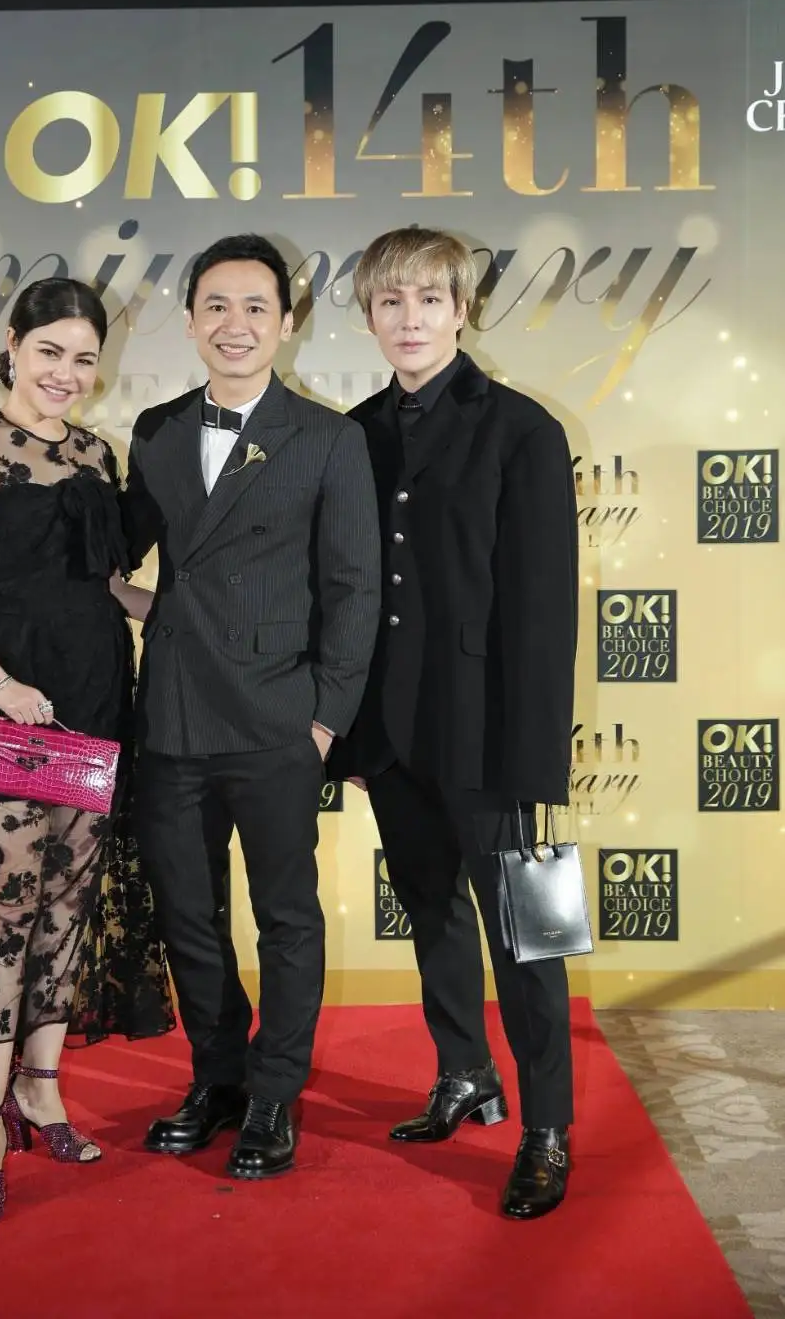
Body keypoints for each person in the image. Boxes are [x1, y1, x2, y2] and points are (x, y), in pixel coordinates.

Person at [0, 276, 172, 1229]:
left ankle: (42, 1090)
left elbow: (105, 587)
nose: (65, 373)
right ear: (13, 345)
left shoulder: (97, 453)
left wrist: (189, 616)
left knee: (68, 904)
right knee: (6, 910)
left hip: (96, 698)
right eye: (49, 351)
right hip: (11, 707)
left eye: (84, 358)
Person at [329, 227, 578, 1220]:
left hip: (490, 736)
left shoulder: (522, 429)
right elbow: (349, 596)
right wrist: (349, 732)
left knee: (529, 935)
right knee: (430, 908)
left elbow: (543, 611)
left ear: (462, 308)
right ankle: (464, 1073)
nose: (410, 319)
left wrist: (534, 757)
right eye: (390, 301)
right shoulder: (351, 432)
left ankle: (547, 1127)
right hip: (392, 732)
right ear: (369, 315)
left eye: (428, 298)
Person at [121, 233, 381, 1179]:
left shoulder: (328, 437)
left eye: (255, 307)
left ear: (286, 322)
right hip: (172, 717)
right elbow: (126, 557)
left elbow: (353, 589)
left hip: (276, 720)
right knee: (188, 915)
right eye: (217, 306)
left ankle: (274, 1092)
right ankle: (218, 1077)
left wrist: (323, 719)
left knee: (285, 917)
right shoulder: (153, 430)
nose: (235, 324)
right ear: (190, 321)